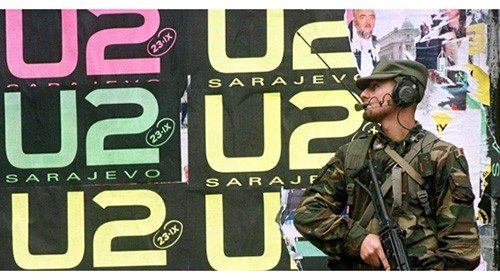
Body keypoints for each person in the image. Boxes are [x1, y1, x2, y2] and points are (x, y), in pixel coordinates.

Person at [293, 59, 480, 270]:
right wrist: (358, 239)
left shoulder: (442, 156)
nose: (364, 95)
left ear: (405, 90)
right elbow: (307, 213)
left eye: (375, 87)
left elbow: (463, 250)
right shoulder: (353, 155)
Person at [348, 9, 380, 77]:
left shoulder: (377, 45)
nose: (368, 22)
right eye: (362, 17)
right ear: (354, 21)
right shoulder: (348, 43)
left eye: (371, 17)